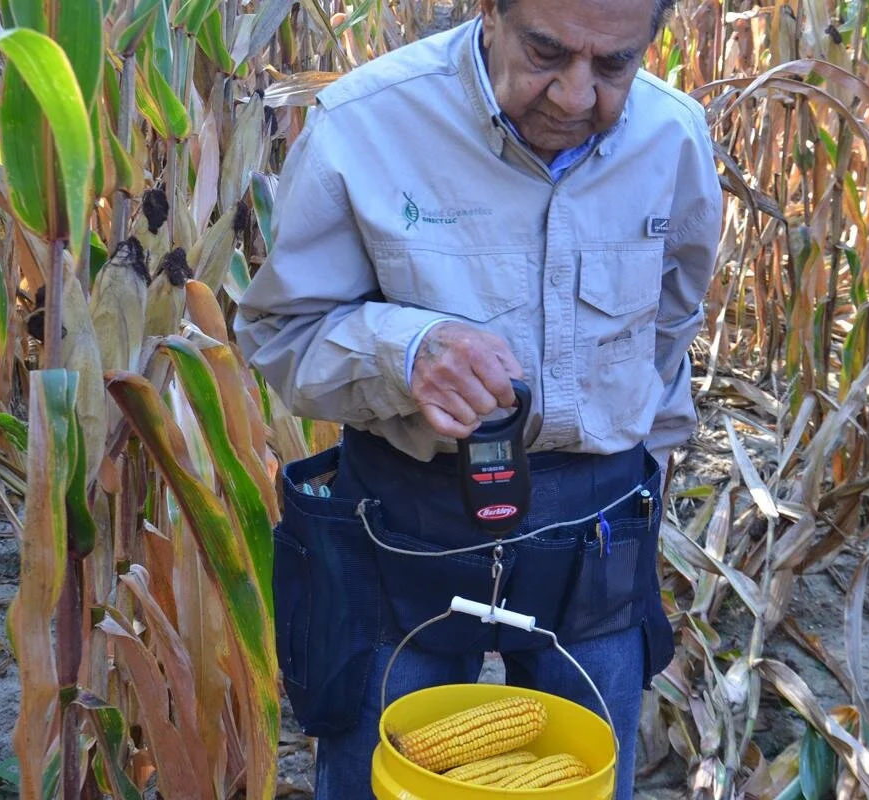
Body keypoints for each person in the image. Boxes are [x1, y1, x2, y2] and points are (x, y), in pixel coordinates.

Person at [232, 0, 723, 795]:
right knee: (381, 776)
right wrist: (405, 353)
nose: (574, 96)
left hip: (601, 531)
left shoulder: (674, 138)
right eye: (546, 52)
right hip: (405, 525)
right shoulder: (365, 125)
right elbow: (282, 334)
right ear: (490, 12)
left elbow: (669, 331)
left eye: (612, 66)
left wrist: (652, 480)